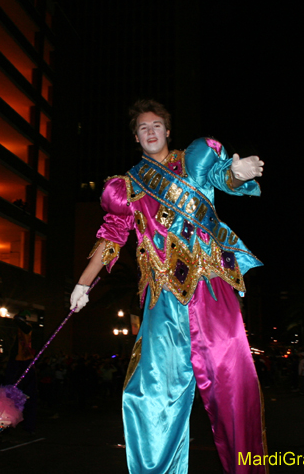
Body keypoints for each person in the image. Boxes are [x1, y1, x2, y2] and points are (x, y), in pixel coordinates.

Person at [70, 99, 267, 474]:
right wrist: (83, 284)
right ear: (136, 137)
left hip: (209, 286)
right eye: (143, 127)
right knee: (150, 395)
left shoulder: (195, 160)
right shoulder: (126, 187)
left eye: (156, 125)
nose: (150, 131)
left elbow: (220, 176)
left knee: (232, 383)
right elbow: (112, 234)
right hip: (162, 296)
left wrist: (238, 174)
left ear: (167, 131)